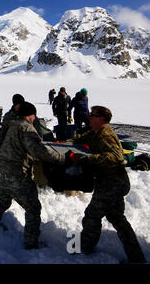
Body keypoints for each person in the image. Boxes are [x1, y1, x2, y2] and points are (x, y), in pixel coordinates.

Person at [68, 106, 146, 263]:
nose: (89, 117)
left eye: (93, 115)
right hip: (114, 182)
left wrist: (88, 159)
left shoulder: (106, 136)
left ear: (101, 120)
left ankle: (83, 249)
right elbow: (82, 139)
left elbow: (116, 158)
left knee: (92, 216)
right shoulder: (96, 132)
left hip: (112, 183)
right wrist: (65, 143)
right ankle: (136, 256)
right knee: (117, 218)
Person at [0, 102, 66, 249]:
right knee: (33, 208)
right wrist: (62, 158)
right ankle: (31, 243)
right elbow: (39, 150)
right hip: (17, 175)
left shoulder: (13, 125)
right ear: (30, 115)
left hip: (3, 172)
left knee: (2, 201)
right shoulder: (27, 128)